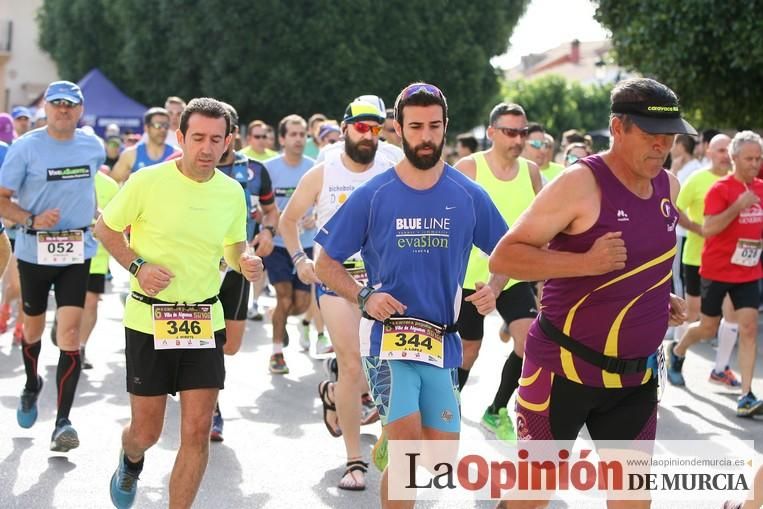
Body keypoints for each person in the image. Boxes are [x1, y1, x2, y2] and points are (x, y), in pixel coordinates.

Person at [489, 77, 692, 508]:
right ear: (618, 128)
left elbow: (646, 259)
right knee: (531, 497)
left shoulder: (668, 187)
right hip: (563, 372)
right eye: (650, 135)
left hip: (634, 380)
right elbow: (504, 258)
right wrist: (582, 263)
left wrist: (657, 298)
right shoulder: (580, 183)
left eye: (669, 137)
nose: (661, 146)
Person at [314, 82, 508, 509]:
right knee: (408, 457)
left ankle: (389, 434)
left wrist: (494, 287)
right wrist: (364, 297)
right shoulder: (374, 194)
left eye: (434, 126)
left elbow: (509, 251)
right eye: (415, 126)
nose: (426, 136)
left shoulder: (469, 195)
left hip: (441, 339)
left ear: (445, 128)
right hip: (388, 339)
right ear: (397, 130)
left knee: (439, 460)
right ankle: (395, 431)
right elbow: (325, 263)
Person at [97, 97, 263, 509]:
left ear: (228, 142)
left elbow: (232, 250)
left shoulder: (231, 192)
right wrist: (138, 267)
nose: (207, 148)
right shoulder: (147, 182)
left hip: (203, 317)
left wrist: (245, 261)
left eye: (216, 140)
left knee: (196, 430)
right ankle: (130, 459)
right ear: (181, 137)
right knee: (147, 432)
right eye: (198, 138)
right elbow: (106, 229)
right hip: (149, 318)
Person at [281, 99, 394, 490]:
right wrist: (299, 260)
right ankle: (354, 460)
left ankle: (334, 393)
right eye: (362, 127)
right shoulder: (322, 173)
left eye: (376, 128)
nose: (369, 135)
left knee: (381, 366)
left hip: (381, 281)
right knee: (351, 364)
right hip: (335, 279)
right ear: (345, 129)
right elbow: (288, 219)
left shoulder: (391, 170)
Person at [0, 80, 105, 451]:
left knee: (70, 334)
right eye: (57, 103)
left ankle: (63, 422)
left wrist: (98, 214)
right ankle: (31, 384)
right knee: (32, 329)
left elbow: (91, 187)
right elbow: (2, 198)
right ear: (46, 106)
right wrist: (30, 220)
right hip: (33, 252)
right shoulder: (25, 147)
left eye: (70, 104)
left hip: (77, 250)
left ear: (80, 109)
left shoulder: (93, 146)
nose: (63, 110)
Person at [454, 102, 542, 444]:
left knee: (528, 342)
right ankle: (447, 405)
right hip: (470, 279)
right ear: (491, 133)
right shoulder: (469, 168)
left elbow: (541, 224)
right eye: (509, 132)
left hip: (513, 275)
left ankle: (497, 409)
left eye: (522, 132)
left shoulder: (531, 172)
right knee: (469, 350)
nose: (517, 139)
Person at [668, 130, 763, 417]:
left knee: (748, 328)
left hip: (747, 272)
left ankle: (746, 395)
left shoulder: (761, 188)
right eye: (749, 158)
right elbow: (708, 229)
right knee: (707, 327)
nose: (754, 164)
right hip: (716, 270)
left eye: (758, 158)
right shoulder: (720, 190)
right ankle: (678, 350)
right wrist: (737, 207)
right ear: (734, 158)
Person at [210, 102, 277, 441]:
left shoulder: (254, 170)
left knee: (231, 344)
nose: (212, 144)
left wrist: (267, 232)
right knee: (204, 339)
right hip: (199, 265)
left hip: (238, 263)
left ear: (232, 136)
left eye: (220, 136)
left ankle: (201, 386)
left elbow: (270, 211)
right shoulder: (188, 167)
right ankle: (210, 406)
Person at [673, 134, 739, 387]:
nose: (725, 154)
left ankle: (720, 368)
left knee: (733, 315)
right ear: (708, 152)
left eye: (728, 149)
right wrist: (697, 228)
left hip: (732, 261)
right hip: (696, 257)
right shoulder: (697, 179)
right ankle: (677, 358)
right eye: (720, 149)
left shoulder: (741, 181)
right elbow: (673, 208)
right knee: (691, 314)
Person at [262, 114, 316, 374]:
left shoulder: (316, 168)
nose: (298, 139)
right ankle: (276, 354)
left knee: (302, 305)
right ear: (282, 138)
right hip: (277, 245)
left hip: (305, 244)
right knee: (284, 297)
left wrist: (313, 218)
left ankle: (277, 317)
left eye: (302, 134)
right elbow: (259, 204)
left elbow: (325, 204)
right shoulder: (269, 169)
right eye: (292, 134)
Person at [110, 107, 176, 182]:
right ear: (146, 128)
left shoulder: (176, 154)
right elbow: (112, 184)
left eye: (166, 126)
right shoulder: (130, 154)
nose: (163, 129)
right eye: (158, 125)